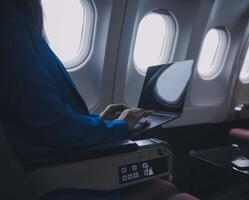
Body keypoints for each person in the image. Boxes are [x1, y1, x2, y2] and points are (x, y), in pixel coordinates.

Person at [0, 0, 156, 199]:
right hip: (59, 170)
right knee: (162, 180)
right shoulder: (8, 25)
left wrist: (100, 120)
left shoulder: (16, 24)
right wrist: (120, 125)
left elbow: (45, 115)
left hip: (57, 157)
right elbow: (56, 126)